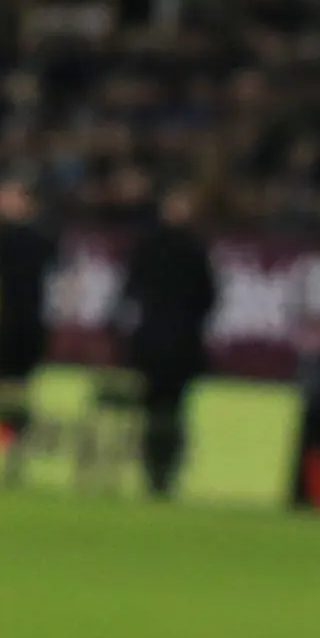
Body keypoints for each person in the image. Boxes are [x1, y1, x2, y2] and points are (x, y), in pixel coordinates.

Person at [110, 187, 218, 500]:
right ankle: (157, 471)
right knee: (161, 410)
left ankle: (163, 471)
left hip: (166, 344)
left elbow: (128, 293)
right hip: (168, 344)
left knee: (168, 410)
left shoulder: (176, 249)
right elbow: (209, 299)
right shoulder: (179, 248)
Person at [0, 177, 54, 480]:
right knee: (12, 386)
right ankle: (13, 443)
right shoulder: (42, 238)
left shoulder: (8, 238)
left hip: (16, 323)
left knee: (10, 385)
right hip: (23, 323)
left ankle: (12, 443)